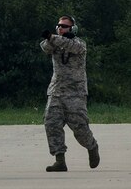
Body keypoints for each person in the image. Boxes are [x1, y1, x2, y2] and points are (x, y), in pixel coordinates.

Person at [40, 15, 100, 172]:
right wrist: (51, 38)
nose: (60, 28)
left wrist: (53, 37)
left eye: (64, 26)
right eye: (59, 25)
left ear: (73, 29)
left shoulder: (79, 44)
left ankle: (92, 146)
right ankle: (60, 160)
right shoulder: (54, 43)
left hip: (75, 93)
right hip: (56, 91)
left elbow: (71, 45)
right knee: (51, 123)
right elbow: (45, 47)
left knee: (80, 128)